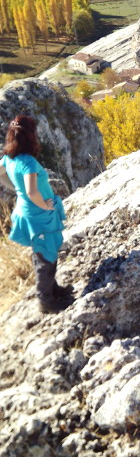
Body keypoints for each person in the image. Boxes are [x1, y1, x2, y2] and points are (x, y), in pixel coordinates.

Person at [0, 115, 73, 313]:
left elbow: (1, 174)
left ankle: (53, 288)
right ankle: (46, 301)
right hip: (38, 213)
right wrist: (45, 205)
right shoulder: (29, 163)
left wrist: (16, 189)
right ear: (31, 136)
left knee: (40, 251)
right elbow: (33, 192)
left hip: (25, 210)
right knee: (46, 255)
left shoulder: (9, 157)